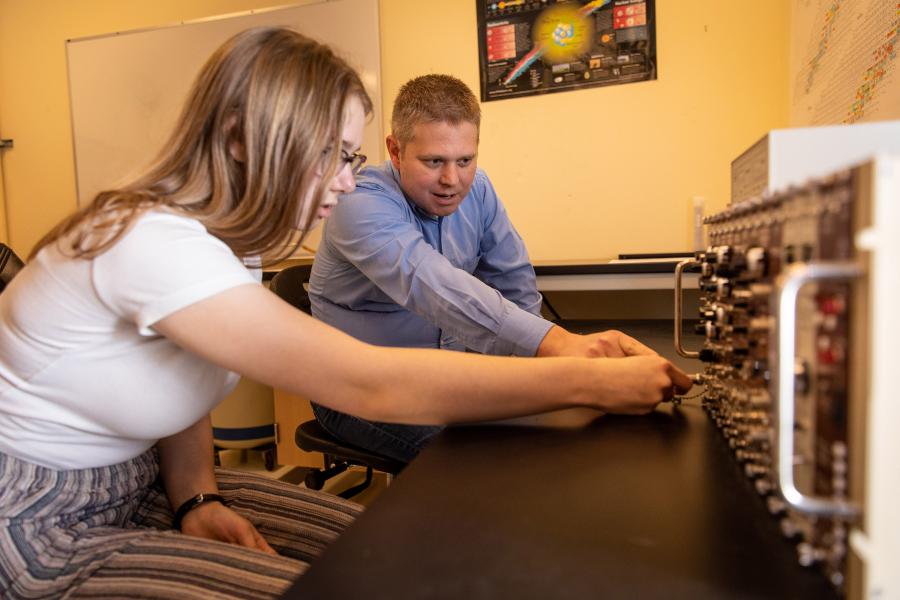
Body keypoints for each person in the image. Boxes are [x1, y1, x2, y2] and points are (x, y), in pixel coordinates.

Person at [0, 28, 690, 599]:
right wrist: (587, 377)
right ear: (241, 137)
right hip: (37, 520)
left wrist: (196, 499)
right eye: (330, 153)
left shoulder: (225, 248)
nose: (345, 179)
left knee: (408, 556)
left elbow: (184, 386)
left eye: (352, 156)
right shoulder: (146, 240)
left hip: (143, 483)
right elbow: (371, 385)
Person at [308, 74, 671, 462]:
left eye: (465, 160)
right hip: (355, 393)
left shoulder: (478, 188)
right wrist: (562, 346)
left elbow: (513, 280)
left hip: (442, 381)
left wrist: (543, 369)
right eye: (434, 162)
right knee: (481, 458)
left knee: (538, 432)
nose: (452, 180)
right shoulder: (357, 201)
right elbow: (436, 288)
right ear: (395, 152)